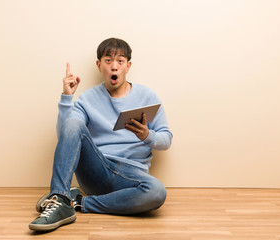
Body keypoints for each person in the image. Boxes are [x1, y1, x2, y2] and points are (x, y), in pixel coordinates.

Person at [29, 38, 173, 231]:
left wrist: (147, 135)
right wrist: (67, 98)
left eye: (120, 61)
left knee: (156, 192)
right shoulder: (87, 99)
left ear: (128, 66)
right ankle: (59, 198)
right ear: (99, 65)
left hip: (131, 177)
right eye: (108, 61)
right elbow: (68, 133)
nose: (114, 67)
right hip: (98, 169)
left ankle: (78, 202)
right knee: (73, 122)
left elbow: (166, 139)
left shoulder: (148, 96)